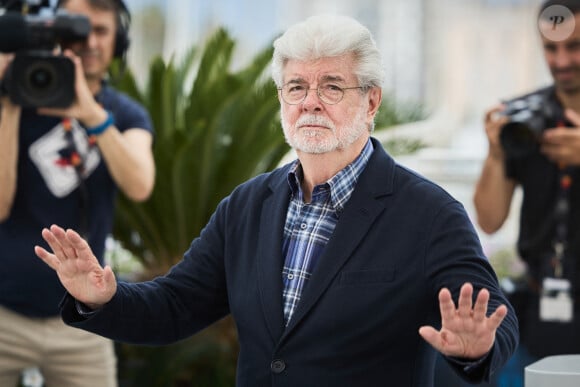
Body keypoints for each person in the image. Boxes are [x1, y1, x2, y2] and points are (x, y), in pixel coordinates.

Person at [34, 14, 517, 387]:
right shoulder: (247, 206)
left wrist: (474, 350)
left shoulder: (429, 214)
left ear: (371, 103)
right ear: (282, 99)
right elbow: (177, 304)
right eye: (297, 87)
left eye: (332, 86)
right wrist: (103, 298)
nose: (311, 101)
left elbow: (492, 316)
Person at [0, 0, 155, 386]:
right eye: (76, 29)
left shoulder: (126, 113)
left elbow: (140, 184)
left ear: (118, 42)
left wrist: (92, 114)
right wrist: (10, 101)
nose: (87, 41)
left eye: (100, 31)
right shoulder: (11, 100)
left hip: (81, 320)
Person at [473, 0, 580, 385]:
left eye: (575, 46)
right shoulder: (526, 118)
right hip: (538, 308)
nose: (562, 60)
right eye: (551, 48)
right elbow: (489, 220)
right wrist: (497, 154)